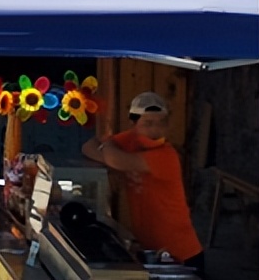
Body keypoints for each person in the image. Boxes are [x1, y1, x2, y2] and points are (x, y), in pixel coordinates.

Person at [82, 92, 205, 274]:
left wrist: (108, 149)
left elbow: (117, 160)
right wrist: (110, 154)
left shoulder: (166, 155)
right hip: (151, 249)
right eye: (148, 124)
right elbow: (88, 146)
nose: (155, 131)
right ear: (133, 124)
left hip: (181, 253)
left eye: (161, 124)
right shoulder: (129, 140)